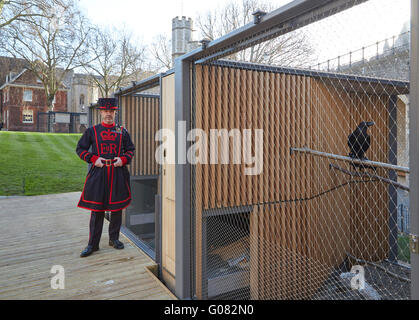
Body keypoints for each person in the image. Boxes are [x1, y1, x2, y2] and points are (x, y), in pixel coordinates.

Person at [76, 98, 135, 257]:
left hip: (117, 174)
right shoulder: (92, 131)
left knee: (116, 208)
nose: (108, 114)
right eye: (106, 111)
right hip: (99, 174)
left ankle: (114, 239)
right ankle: (93, 244)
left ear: (115, 113)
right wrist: (94, 159)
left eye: (112, 111)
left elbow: (130, 150)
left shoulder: (122, 131)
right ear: (101, 112)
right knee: (97, 210)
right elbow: (80, 149)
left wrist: (122, 160)